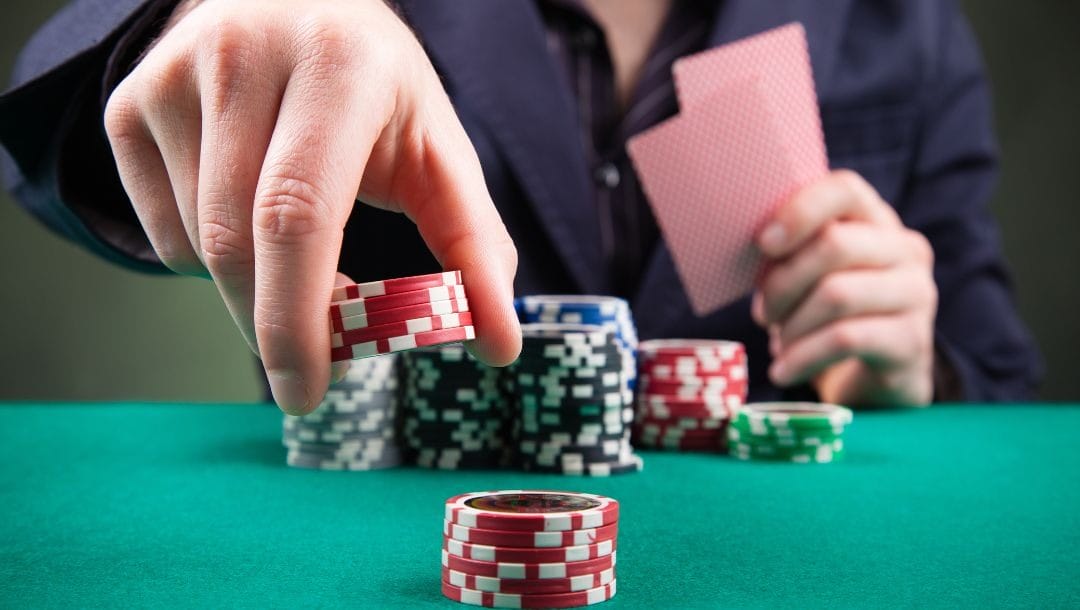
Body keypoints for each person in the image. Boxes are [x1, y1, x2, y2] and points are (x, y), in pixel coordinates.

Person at [0, 0, 1040, 413]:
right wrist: (202, 20)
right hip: (383, 553)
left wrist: (920, 364)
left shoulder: (910, 27)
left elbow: (1004, 382)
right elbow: (44, 122)